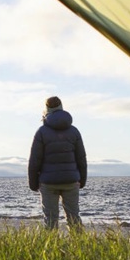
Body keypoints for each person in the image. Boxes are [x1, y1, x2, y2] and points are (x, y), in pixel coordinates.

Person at [28, 96, 87, 230]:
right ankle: (80, 248)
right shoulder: (74, 131)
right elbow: (81, 159)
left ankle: (50, 250)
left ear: (46, 109)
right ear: (61, 107)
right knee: (74, 218)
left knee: (50, 220)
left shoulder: (41, 132)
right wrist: (81, 181)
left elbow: (34, 160)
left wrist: (33, 184)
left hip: (48, 183)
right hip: (71, 181)